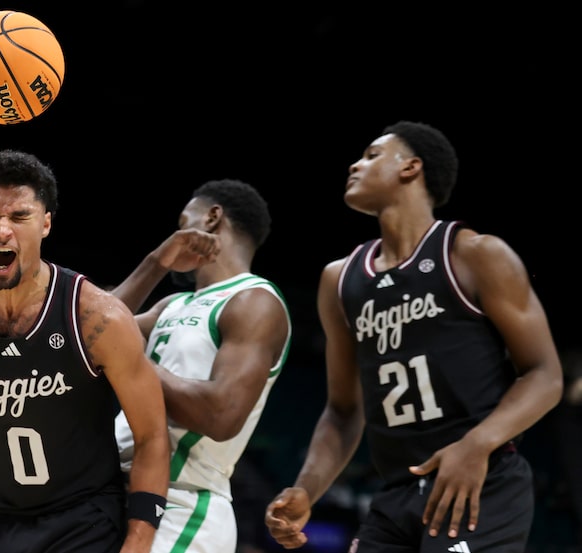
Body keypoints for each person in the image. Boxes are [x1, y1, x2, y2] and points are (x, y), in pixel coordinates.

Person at [264, 120, 564, 552]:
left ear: (411, 167)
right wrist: (307, 489)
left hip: (480, 480)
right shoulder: (340, 279)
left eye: (371, 155)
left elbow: (544, 374)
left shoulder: (475, 255)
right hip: (395, 492)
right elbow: (344, 410)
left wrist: (476, 443)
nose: (355, 164)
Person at [0, 149, 170, 553]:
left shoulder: (97, 318)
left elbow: (152, 435)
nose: (2, 231)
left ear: (46, 222)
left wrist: (138, 542)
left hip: (80, 520)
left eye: (19, 217)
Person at [112, 178, 292, 553]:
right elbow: (88, 331)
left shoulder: (255, 302)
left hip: (182, 505)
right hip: (116, 491)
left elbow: (221, 415)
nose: (176, 234)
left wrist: (130, 364)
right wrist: (156, 263)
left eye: (183, 222)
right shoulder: (171, 306)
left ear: (211, 218)